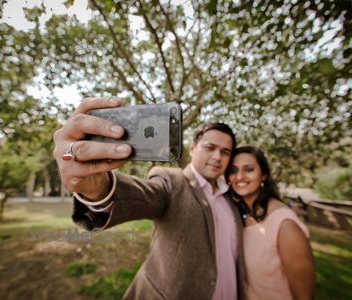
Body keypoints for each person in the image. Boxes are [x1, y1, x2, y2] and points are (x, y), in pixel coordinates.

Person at [53, 97, 245, 299]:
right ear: (193, 148)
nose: (217, 157)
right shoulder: (171, 181)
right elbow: (142, 195)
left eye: (225, 152)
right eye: (210, 147)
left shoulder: (232, 198)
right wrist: (95, 187)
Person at [225, 145, 315, 300]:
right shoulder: (241, 217)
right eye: (233, 170)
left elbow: (304, 296)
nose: (239, 176)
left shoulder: (284, 224)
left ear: (264, 175)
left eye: (249, 169)